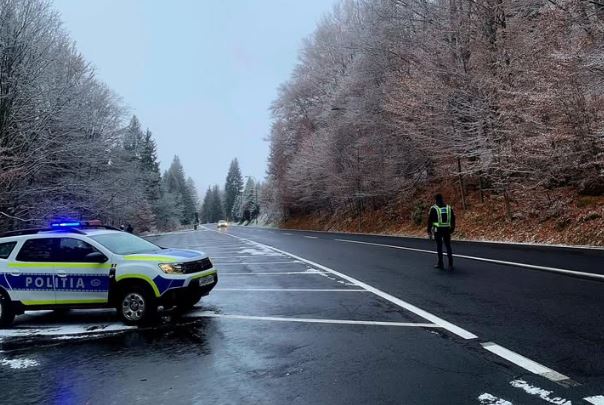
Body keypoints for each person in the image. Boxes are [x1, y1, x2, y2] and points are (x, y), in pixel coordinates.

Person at [427, 194, 455, 270]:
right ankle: (450, 264)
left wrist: (429, 231)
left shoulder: (433, 208)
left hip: (438, 230)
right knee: (448, 246)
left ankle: (440, 263)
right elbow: (453, 219)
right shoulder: (449, 208)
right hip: (447, 230)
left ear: (435, 200)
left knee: (439, 247)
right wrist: (452, 229)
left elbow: (429, 221)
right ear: (442, 199)